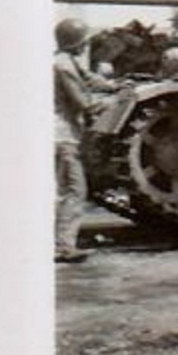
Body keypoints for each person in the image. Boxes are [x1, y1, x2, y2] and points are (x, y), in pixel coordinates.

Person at [54, 17, 116, 263]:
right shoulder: (64, 66)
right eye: (85, 41)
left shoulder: (63, 61)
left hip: (60, 134)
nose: (87, 45)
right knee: (74, 189)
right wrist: (115, 101)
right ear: (76, 43)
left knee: (63, 189)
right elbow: (83, 104)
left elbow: (88, 78)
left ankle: (59, 243)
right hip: (64, 137)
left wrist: (112, 85)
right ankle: (63, 247)